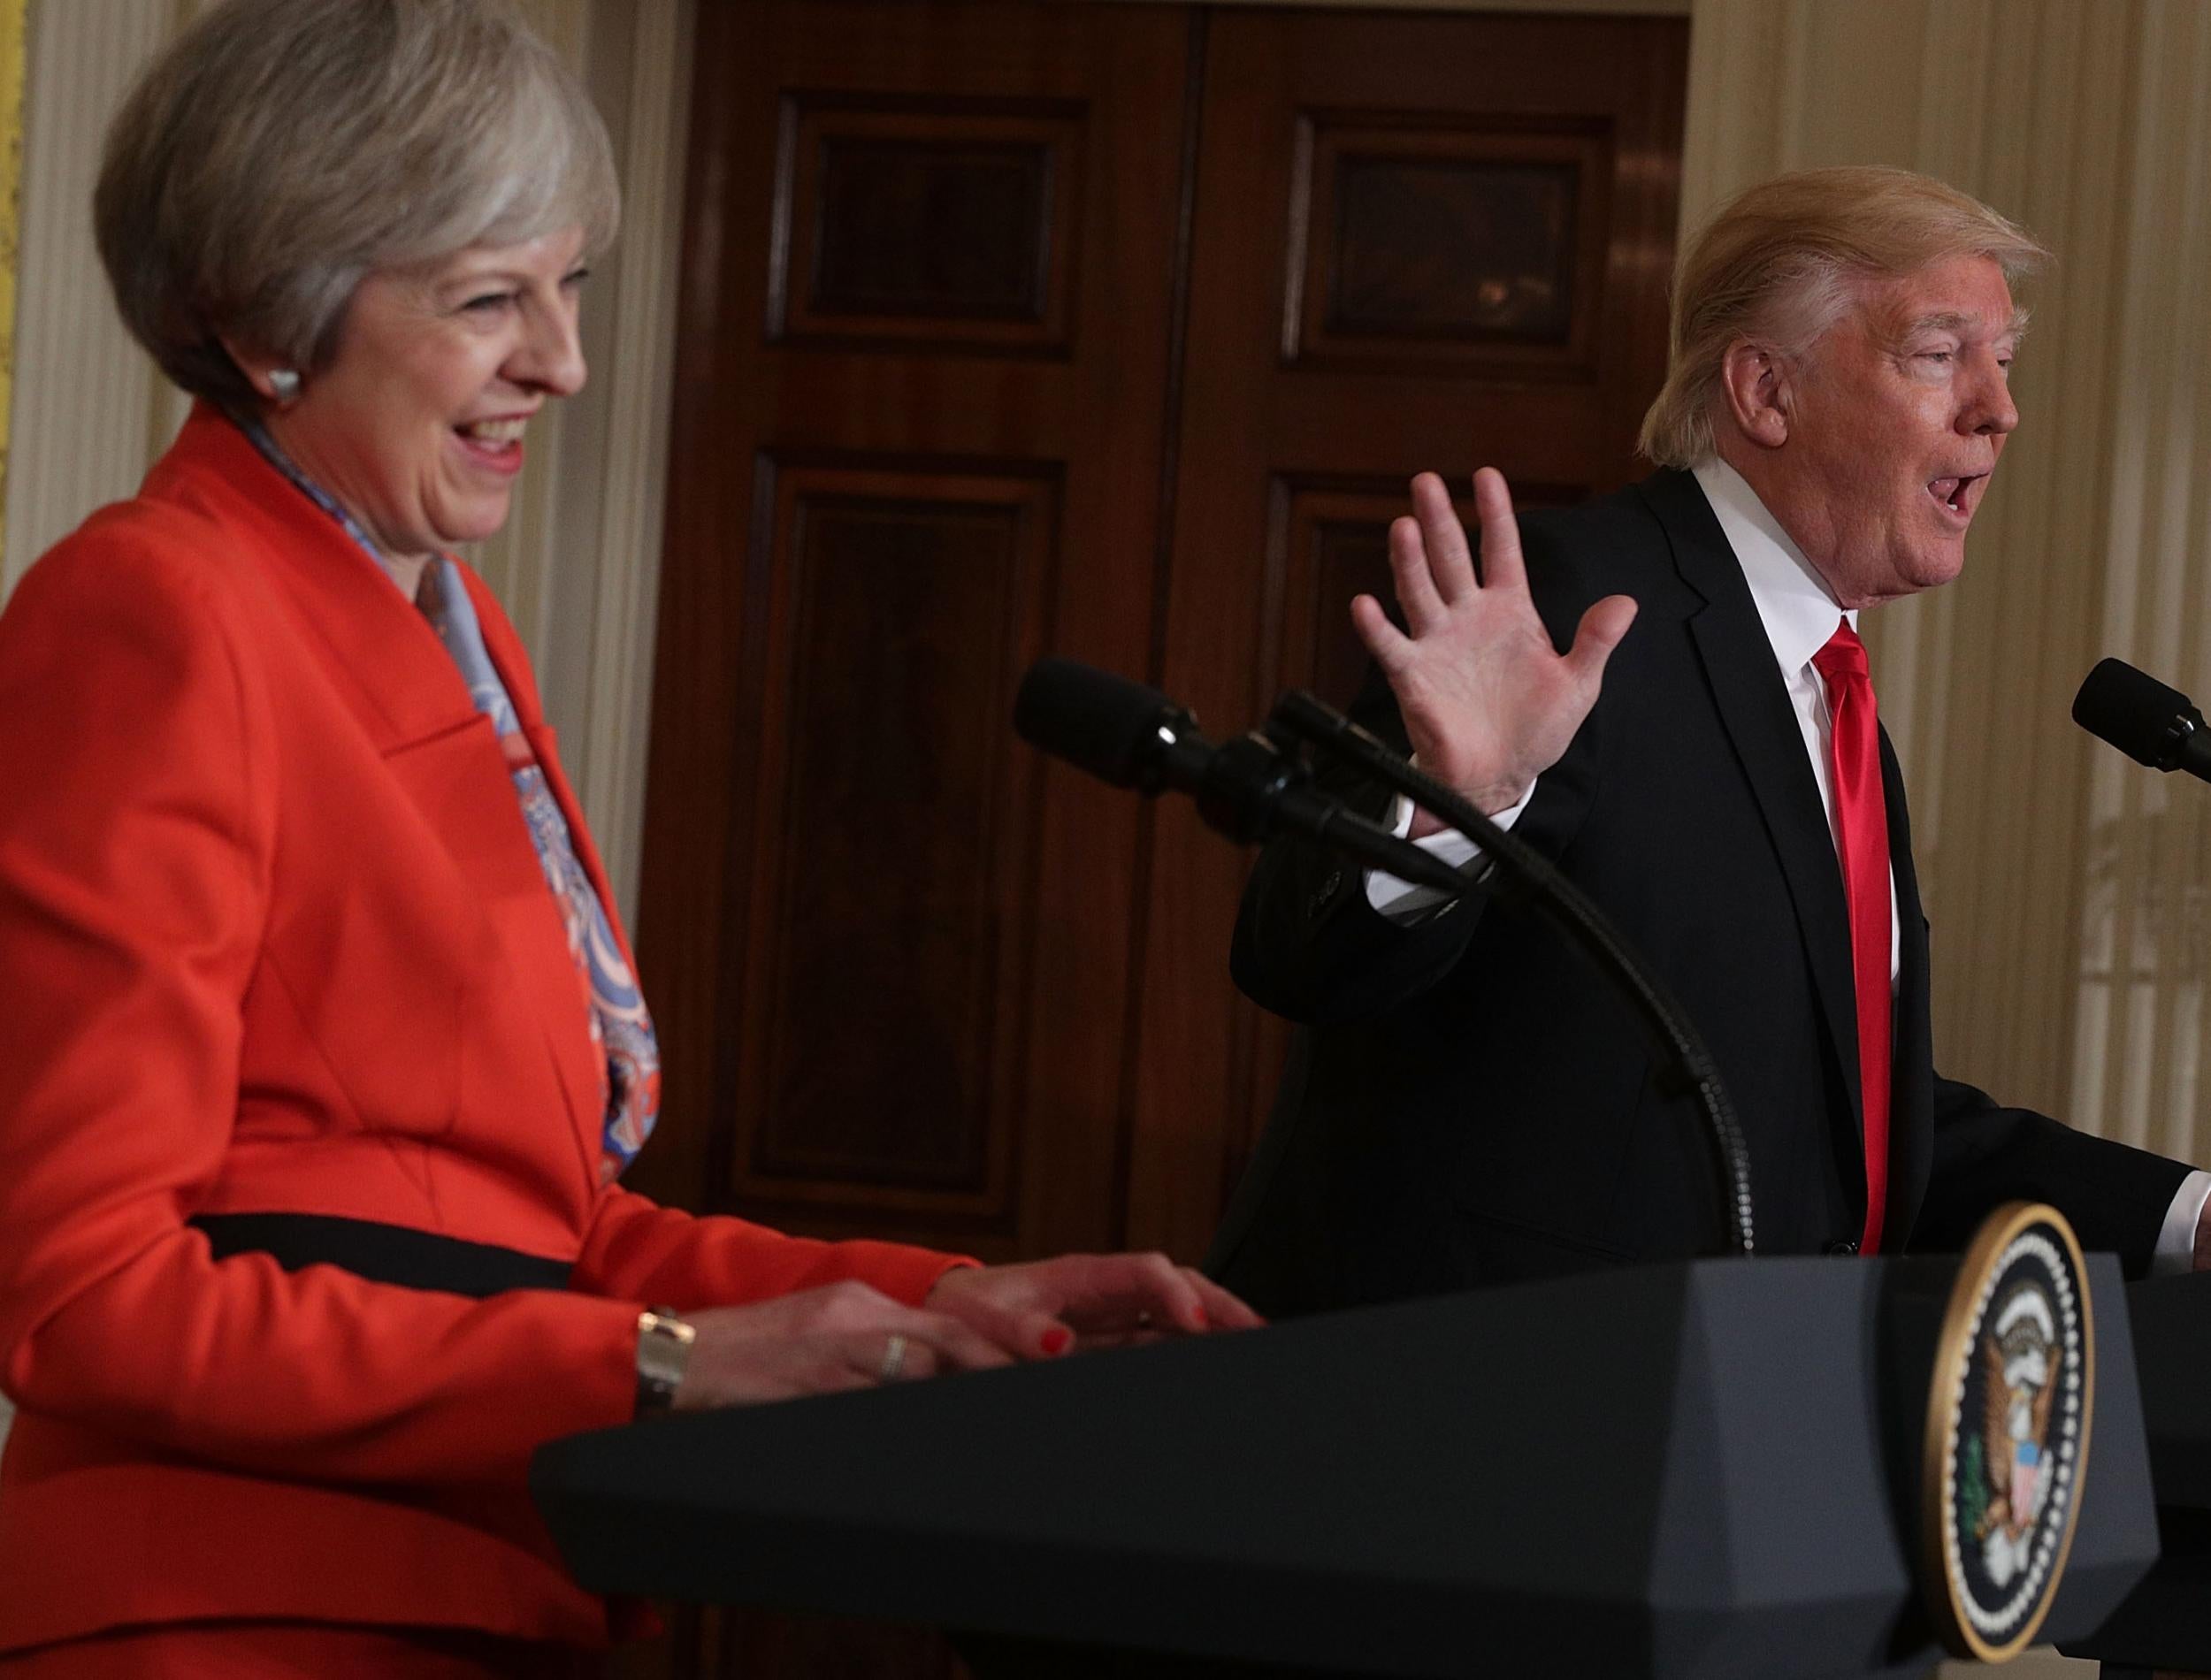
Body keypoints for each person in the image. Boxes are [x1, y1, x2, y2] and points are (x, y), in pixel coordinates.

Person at [0, 1, 1257, 1673]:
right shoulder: (156, 607)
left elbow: (536, 1231)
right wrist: (660, 1369)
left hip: (484, 1589)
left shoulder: (444, 621)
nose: (564, 362)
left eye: (570, 285)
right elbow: (82, 1299)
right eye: (488, 301)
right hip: (234, 1612)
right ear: (259, 324)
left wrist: (942, 1308)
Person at [1210, 165, 2208, 1316]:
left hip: (1728, 1412)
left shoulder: (1830, 702)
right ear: (1764, 393)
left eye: (2004, 361)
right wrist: (1451, 808)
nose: (1998, 409)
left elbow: (1847, 1131)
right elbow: (1297, 951)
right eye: (1941, 355)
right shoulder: (1577, 609)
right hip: (1477, 1413)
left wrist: (2190, 1218)